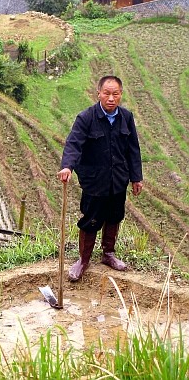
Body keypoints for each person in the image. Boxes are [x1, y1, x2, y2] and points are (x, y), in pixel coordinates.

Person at [57, 75, 143, 282]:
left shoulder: (126, 117)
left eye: (115, 94)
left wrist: (136, 178)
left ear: (121, 94)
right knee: (91, 219)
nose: (111, 98)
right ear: (98, 94)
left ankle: (108, 254)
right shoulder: (86, 118)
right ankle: (83, 260)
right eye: (107, 93)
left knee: (114, 216)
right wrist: (67, 166)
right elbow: (74, 144)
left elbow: (133, 149)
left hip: (118, 179)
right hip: (95, 181)